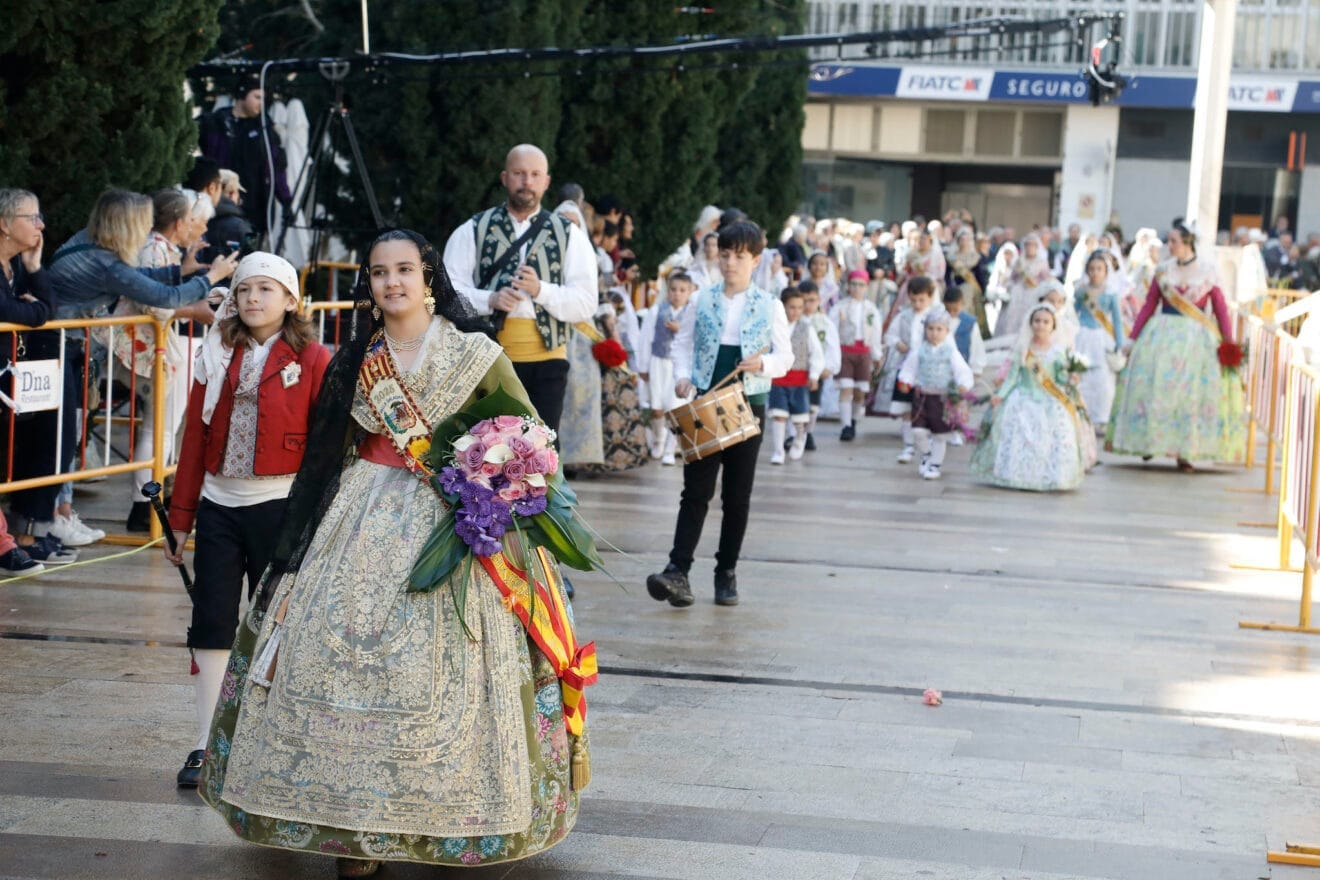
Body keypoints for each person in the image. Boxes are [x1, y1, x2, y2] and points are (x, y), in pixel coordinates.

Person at [197, 229, 593, 877]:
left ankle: (440, 817)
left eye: (405, 269)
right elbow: (330, 453)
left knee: (453, 670)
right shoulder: (357, 361)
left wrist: (494, 477)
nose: (392, 282)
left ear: (429, 278)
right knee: (335, 656)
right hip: (358, 517)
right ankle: (350, 830)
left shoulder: (475, 352)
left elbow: (530, 435)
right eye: (379, 272)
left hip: (455, 524)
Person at [165, 253, 331, 789]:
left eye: (266, 289)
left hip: (279, 509)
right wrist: (181, 517)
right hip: (218, 506)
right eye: (244, 290)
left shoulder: (314, 358)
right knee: (211, 621)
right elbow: (195, 440)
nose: (253, 299)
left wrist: (319, 518)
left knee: (275, 624)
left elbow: (327, 447)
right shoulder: (216, 354)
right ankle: (206, 742)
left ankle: (269, 737)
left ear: (290, 300)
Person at [645, 220, 792, 608]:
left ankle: (726, 571)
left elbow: (786, 357)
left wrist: (763, 364)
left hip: (748, 405)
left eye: (740, 257)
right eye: (725, 255)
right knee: (695, 491)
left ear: (756, 260)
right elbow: (683, 344)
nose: (730, 263)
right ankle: (677, 570)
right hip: (707, 403)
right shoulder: (701, 299)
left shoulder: (770, 304)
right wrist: (682, 376)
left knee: (737, 496)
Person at [443, 144, 597, 434]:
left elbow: (587, 301)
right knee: (488, 444)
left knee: (544, 446)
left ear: (546, 182)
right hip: (489, 357)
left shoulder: (570, 235)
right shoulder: (474, 228)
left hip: (548, 361)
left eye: (535, 175)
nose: (527, 182)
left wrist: (541, 291)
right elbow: (447, 293)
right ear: (504, 177)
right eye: (519, 173)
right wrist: (490, 299)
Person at [119, 190, 221, 531]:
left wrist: (185, 271)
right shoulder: (153, 248)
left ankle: (150, 504)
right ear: (178, 222)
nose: (196, 226)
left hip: (162, 345)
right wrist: (197, 304)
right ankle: (144, 507)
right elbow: (155, 303)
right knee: (159, 428)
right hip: (154, 346)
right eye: (192, 219)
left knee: (165, 427)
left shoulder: (160, 248)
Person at [1107, 220, 1245, 471]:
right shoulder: (1163, 271)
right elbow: (1149, 305)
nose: (1169, 245)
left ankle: (1185, 451)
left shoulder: (1208, 271)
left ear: (1188, 242)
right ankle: (1150, 442)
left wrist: (1229, 341)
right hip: (1162, 335)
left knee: (1189, 394)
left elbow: (1221, 309)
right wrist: (1132, 338)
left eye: (1174, 241)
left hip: (1196, 341)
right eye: (1168, 241)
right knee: (1156, 387)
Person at [0, 189, 83, 561]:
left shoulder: (17, 266)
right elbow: (20, 312)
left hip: (17, 374)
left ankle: (25, 532)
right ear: (4, 224)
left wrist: (34, 268)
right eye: (31, 217)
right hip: (7, 373)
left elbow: (47, 308)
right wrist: (28, 309)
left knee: (44, 444)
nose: (41, 225)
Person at [972, 303, 1087, 491]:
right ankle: (1018, 475)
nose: (1041, 325)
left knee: (1054, 434)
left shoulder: (1058, 352)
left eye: (1046, 322)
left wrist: (1071, 376)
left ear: (1053, 326)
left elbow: (1060, 378)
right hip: (1023, 397)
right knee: (1020, 436)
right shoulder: (1023, 350)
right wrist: (1000, 395)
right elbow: (1012, 377)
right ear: (1031, 323)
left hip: (1050, 399)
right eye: (1037, 321)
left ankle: (1050, 476)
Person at [198, 76, 293, 238]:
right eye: (257, 97)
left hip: (255, 207)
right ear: (242, 95)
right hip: (219, 203)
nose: (261, 103)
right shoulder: (216, 122)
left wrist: (286, 201)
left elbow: (276, 167)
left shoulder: (264, 129)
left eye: (263, 99)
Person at [898, 311, 974, 480]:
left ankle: (935, 465)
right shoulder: (919, 351)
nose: (934, 333)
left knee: (940, 434)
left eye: (939, 329)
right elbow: (909, 368)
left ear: (946, 331)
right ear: (925, 330)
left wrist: (963, 384)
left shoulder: (950, 352)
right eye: (930, 328)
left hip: (942, 399)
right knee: (918, 430)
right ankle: (926, 453)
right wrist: (905, 380)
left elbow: (962, 370)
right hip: (922, 397)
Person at [876, 276, 938, 461]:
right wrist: (898, 343)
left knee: (928, 407)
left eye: (922, 300)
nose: (917, 304)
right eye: (914, 300)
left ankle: (928, 445)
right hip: (907, 369)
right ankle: (908, 446)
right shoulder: (903, 316)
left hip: (929, 370)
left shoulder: (935, 317)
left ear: (930, 298)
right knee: (906, 409)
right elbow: (890, 335)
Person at [638, 269, 695, 465]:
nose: (677, 294)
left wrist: (680, 330)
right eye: (673, 289)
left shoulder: (691, 314)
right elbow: (646, 339)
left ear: (689, 292)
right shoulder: (657, 311)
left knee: (676, 408)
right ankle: (658, 440)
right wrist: (643, 366)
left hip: (679, 367)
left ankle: (670, 449)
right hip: (658, 363)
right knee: (657, 407)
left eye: (682, 290)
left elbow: (694, 341)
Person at [768, 287, 825, 464]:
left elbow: (816, 354)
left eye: (800, 307)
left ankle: (800, 438)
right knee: (779, 414)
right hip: (778, 378)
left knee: (799, 417)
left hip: (799, 379)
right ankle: (778, 451)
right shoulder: (774, 327)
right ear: (783, 307)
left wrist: (814, 375)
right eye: (792, 307)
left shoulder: (807, 329)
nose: (796, 311)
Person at [1073, 253, 1126, 430]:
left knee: (1103, 378)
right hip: (1083, 335)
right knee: (1082, 374)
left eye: (1099, 269)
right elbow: (1073, 314)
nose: (1095, 272)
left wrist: (1120, 343)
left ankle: (1101, 416)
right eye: (1092, 269)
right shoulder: (1081, 292)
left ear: (1106, 272)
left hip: (1102, 338)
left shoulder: (1111, 294)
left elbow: (1117, 320)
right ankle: (1082, 413)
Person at [832, 269, 883, 441]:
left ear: (866, 287)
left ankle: (853, 419)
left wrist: (876, 355)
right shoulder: (840, 307)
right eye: (853, 284)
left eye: (861, 285)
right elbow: (832, 330)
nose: (856, 288)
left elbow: (875, 333)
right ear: (848, 286)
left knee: (860, 391)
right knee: (845, 387)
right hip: (845, 350)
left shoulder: (871, 309)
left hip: (863, 352)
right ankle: (845, 425)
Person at [800, 281, 841, 449]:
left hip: (816, 371)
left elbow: (832, 347)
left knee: (813, 407)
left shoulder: (825, 323)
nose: (808, 305)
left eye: (812, 300)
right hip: (796, 370)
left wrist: (830, 367)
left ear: (818, 300)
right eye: (804, 301)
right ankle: (794, 435)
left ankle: (808, 432)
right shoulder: (794, 321)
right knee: (795, 405)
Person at [994, 234, 1053, 340]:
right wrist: (1010, 286)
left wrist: (1037, 285)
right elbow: (1012, 278)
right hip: (1017, 295)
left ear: (1036, 247)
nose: (1029, 248)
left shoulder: (1041, 262)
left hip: (1033, 294)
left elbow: (1047, 280)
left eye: (1032, 245)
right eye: (1027, 245)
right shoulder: (1019, 261)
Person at [948, 228, 989, 337]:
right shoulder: (952, 257)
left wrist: (983, 290)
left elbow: (980, 275)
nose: (964, 242)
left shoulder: (975, 257)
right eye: (962, 239)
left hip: (971, 288)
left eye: (966, 239)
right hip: (956, 287)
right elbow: (947, 275)